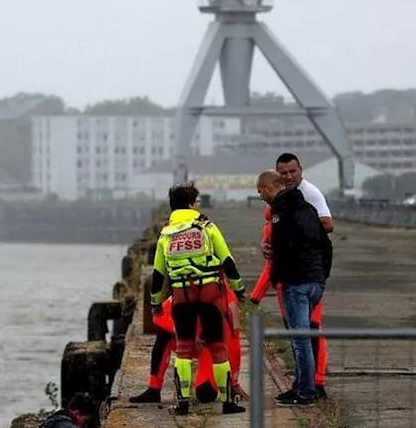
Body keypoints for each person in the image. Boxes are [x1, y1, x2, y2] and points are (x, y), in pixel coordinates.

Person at [148, 183, 247, 416]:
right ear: (192, 204)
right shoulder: (206, 227)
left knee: (182, 349)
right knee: (218, 348)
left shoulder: (166, 234)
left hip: (181, 300)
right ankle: (227, 403)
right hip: (209, 297)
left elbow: (158, 274)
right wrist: (239, 289)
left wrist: (154, 302)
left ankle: (182, 404)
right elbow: (227, 260)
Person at [255, 169, 331, 407]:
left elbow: (280, 251)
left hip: (295, 284)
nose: (260, 197)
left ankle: (305, 392)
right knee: (305, 337)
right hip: (315, 282)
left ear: (269, 187)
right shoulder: (308, 208)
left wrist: (280, 277)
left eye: (260, 191)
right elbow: (326, 245)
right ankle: (300, 386)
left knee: (300, 341)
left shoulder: (280, 211)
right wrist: (321, 277)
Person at [129, 288, 246, 403]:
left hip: (210, 349)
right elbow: (159, 317)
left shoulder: (229, 301)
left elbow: (234, 343)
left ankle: (198, 389)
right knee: (164, 334)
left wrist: (233, 382)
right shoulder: (185, 291)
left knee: (206, 394)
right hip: (185, 340)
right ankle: (154, 389)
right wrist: (185, 333)